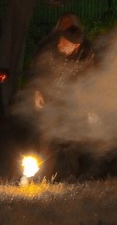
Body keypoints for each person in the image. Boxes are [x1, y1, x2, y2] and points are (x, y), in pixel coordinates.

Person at [24, 18, 97, 178]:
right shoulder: (50, 51)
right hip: (51, 99)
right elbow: (39, 71)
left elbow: (89, 81)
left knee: (72, 139)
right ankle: (44, 175)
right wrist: (37, 92)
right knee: (47, 137)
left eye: (65, 43)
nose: (60, 44)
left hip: (72, 102)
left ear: (75, 46)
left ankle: (77, 174)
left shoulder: (86, 56)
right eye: (61, 40)